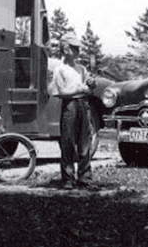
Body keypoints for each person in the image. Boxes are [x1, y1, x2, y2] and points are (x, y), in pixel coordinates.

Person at [50, 32, 94, 190]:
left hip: (83, 103)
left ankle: (85, 177)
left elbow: (88, 86)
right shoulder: (60, 70)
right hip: (70, 105)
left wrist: (90, 83)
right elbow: (60, 92)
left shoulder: (81, 68)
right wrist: (77, 89)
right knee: (68, 141)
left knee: (84, 142)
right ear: (65, 49)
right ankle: (68, 178)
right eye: (74, 48)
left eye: (78, 48)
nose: (77, 51)